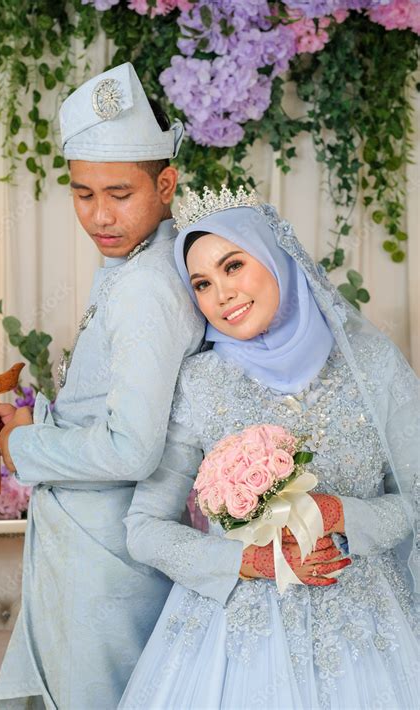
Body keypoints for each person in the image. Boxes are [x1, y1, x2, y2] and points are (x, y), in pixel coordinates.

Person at [118, 188, 419, 709]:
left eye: (233, 265)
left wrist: (339, 513)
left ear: (276, 257)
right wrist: (249, 561)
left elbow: (415, 502)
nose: (222, 295)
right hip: (233, 639)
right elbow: (144, 528)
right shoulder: (201, 383)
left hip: (369, 632)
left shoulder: (371, 364)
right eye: (203, 284)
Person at [0, 62, 205, 709]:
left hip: (105, 563)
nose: (99, 214)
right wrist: (27, 423)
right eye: (82, 193)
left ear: (165, 183)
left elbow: (132, 449)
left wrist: (24, 446)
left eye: (119, 193)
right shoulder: (132, 264)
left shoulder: (146, 286)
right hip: (88, 548)